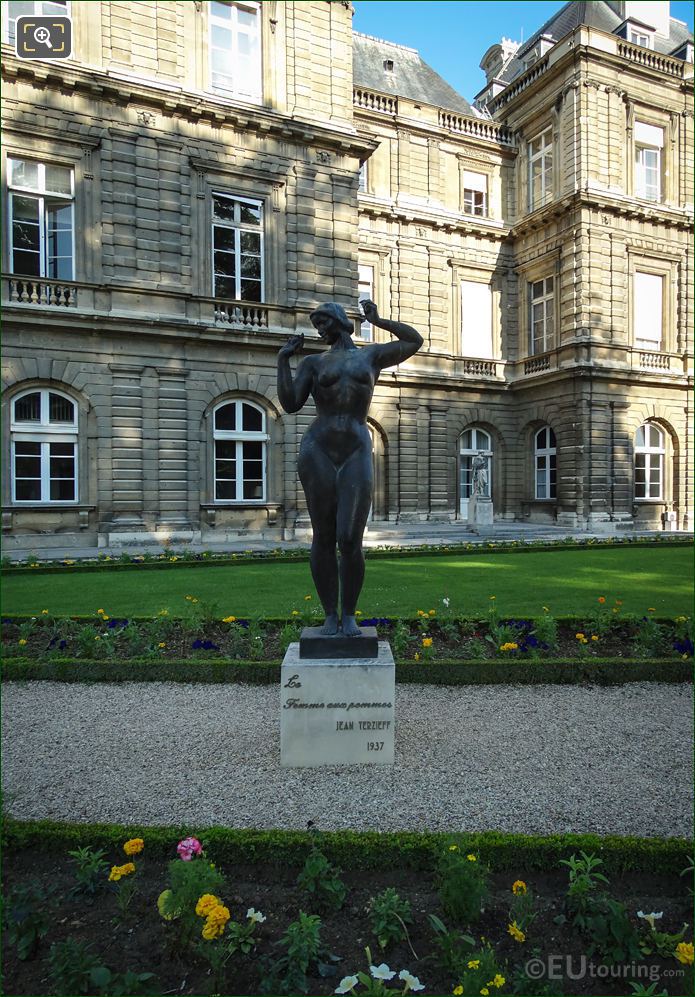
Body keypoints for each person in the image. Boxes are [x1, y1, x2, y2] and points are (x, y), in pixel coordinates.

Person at [277, 300, 423, 637]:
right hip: (318, 449)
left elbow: (414, 341)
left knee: (349, 539)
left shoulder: (370, 357)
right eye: (318, 325)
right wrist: (283, 360)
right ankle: (331, 616)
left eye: (324, 322)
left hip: (356, 448)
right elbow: (290, 403)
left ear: (341, 322)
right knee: (324, 537)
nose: (320, 330)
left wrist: (380, 320)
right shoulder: (314, 363)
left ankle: (349, 614)